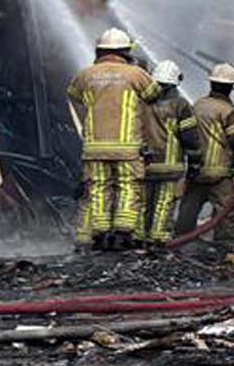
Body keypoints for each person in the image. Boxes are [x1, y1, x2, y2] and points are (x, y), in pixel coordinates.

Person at [64, 27, 156, 248]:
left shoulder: (85, 75)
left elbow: (73, 95)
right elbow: (153, 94)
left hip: (94, 147)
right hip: (126, 148)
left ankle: (101, 235)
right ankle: (123, 235)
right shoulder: (135, 74)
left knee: (98, 188)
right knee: (127, 186)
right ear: (126, 51)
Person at [180, 64, 234, 245]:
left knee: (188, 209)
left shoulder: (197, 105)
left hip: (197, 169)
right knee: (224, 212)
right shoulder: (229, 111)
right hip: (220, 172)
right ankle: (223, 246)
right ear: (232, 87)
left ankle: (179, 241)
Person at [137, 60, 192, 243]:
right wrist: (197, 160)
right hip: (170, 166)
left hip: (144, 164)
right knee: (164, 203)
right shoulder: (181, 105)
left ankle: (138, 237)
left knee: (142, 202)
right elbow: (189, 137)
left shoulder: (141, 103)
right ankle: (157, 239)